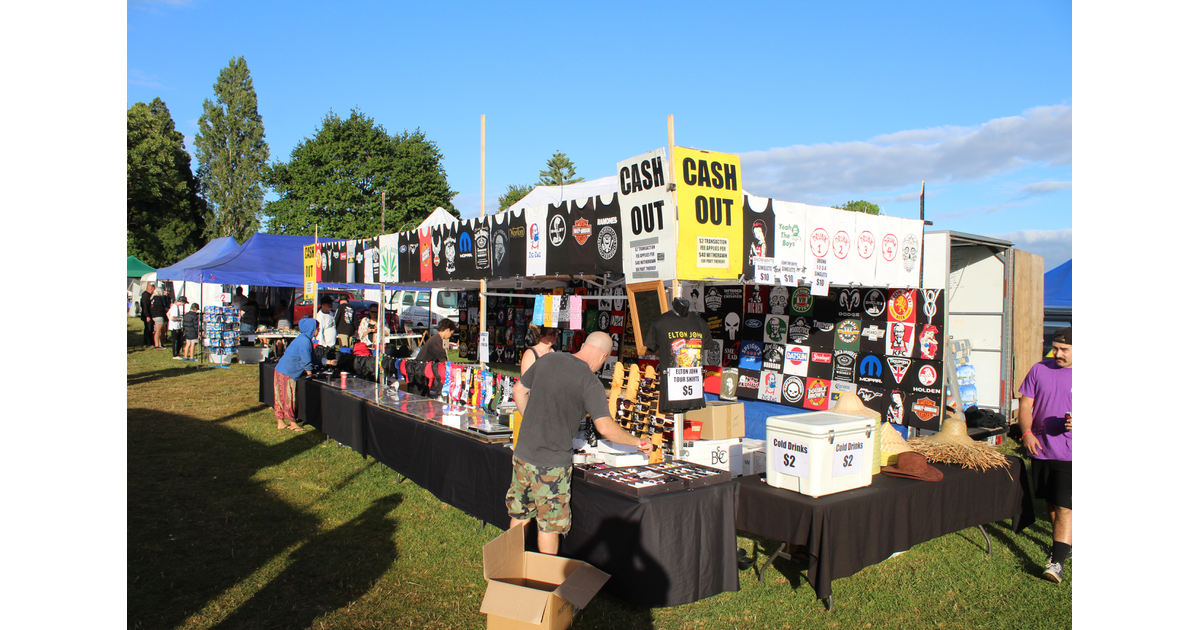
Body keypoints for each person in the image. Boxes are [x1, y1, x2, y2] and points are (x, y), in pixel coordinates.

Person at [508, 331, 651, 555]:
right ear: (605, 356)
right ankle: (545, 583)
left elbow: (519, 390)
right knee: (549, 526)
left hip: (523, 453)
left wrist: (533, 422)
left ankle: (508, 566)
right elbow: (605, 428)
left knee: (520, 513)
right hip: (551, 464)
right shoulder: (590, 382)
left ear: (583, 345)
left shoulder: (548, 359)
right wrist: (637, 441)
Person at [1018, 326, 1073, 584]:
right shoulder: (1040, 369)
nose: (1057, 353)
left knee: (1064, 506)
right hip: (1040, 449)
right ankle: (1065, 544)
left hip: (1071, 452)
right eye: (1056, 347)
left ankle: (1057, 562)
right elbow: (1025, 403)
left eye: (1064, 349)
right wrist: (1027, 433)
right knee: (1051, 504)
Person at [274, 318, 337, 432]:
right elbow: (306, 361)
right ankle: (292, 423)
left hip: (281, 370)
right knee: (288, 397)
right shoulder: (305, 341)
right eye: (317, 329)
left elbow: (314, 358)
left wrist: (328, 362)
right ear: (312, 329)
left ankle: (281, 422)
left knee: (280, 397)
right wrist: (310, 374)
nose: (318, 331)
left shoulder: (304, 339)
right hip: (287, 372)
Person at [150, 285, 169, 349]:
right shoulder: (157, 298)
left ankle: (160, 343)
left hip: (156, 315)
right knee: (158, 331)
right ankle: (157, 344)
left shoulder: (153, 298)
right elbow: (159, 307)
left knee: (162, 330)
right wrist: (165, 309)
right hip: (158, 315)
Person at [140, 282, 154, 347]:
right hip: (146, 315)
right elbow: (145, 306)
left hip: (147, 314)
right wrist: (147, 316)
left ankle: (150, 342)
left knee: (150, 328)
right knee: (148, 329)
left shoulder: (147, 295)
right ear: (151, 289)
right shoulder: (146, 296)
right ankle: (146, 342)